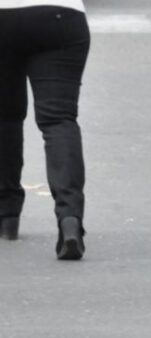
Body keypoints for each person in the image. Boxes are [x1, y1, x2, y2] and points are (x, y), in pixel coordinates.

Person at [0, 0, 90, 260]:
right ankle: (69, 218)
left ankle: (7, 215)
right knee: (59, 120)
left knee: (4, 117)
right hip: (59, 15)